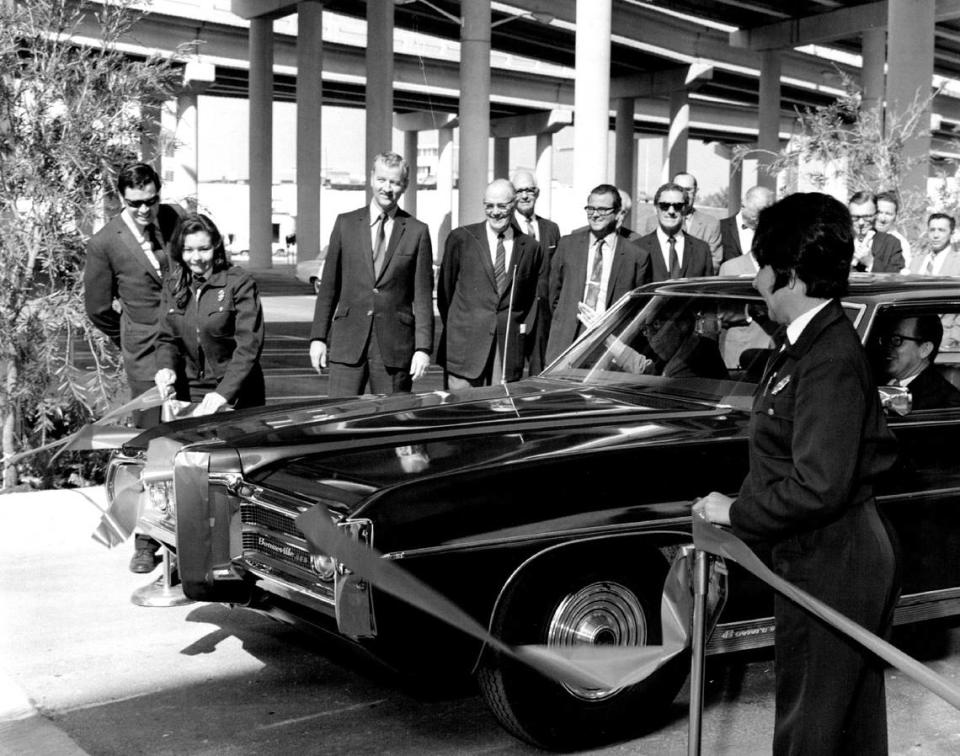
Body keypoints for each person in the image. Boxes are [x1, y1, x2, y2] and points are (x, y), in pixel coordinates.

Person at [696, 192, 899, 755]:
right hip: (817, 555)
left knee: (811, 729)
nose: (756, 280)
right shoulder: (802, 346)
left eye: (763, 266)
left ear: (790, 275)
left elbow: (819, 484)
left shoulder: (829, 357)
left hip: (834, 561)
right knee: (842, 728)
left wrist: (733, 512)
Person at [83, 162, 182, 574]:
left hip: (184, 347)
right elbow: (98, 307)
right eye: (136, 203)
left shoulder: (174, 219)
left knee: (186, 445)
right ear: (122, 198)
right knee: (150, 447)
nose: (146, 210)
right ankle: (144, 541)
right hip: (143, 355)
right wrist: (132, 334)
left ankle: (183, 541)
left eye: (151, 200)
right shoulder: (105, 241)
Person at [310, 151, 434, 396]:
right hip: (348, 342)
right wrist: (318, 338)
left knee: (393, 421)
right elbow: (329, 289)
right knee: (339, 420)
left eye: (395, 182)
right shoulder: (345, 224)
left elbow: (422, 298)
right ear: (371, 179)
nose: (387, 188)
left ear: (405, 186)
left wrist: (423, 348)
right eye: (382, 180)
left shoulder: (417, 232)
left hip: (394, 348)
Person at [154, 213, 265, 414]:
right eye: (188, 250)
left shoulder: (239, 282)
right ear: (180, 250)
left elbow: (249, 345)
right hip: (190, 393)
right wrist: (166, 368)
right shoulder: (172, 285)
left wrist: (224, 393)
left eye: (204, 249)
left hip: (235, 393)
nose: (196, 258)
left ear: (216, 247)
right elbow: (166, 339)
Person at [437, 179, 542, 388]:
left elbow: (529, 301)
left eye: (502, 206)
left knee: (499, 414)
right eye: (489, 206)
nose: (495, 212)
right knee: (462, 415)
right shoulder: (461, 239)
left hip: (505, 352)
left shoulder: (530, 247)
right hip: (464, 350)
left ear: (514, 204)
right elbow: (445, 294)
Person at [544, 184, 650, 363]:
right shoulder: (567, 245)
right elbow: (554, 296)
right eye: (591, 208)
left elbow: (637, 309)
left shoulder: (636, 256)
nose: (595, 214)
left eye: (603, 209)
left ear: (617, 213)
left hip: (610, 346)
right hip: (566, 343)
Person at [511, 170, 561, 375]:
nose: (524, 196)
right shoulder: (506, 227)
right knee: (510, 371)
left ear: (537, 193)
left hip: (542, 314)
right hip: (515, 312)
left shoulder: (551, 229)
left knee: (539, 371)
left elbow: (556, 273)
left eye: (529, 190)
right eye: (519, 191)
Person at [879, 314, 960, 410]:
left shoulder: (943, 403)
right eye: (886, 338)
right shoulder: (878, 378)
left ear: (924, 349)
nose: (887, 346)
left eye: (897, 340)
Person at [636, 182, 713, 283]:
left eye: (677, 206)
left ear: (685, 209)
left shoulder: (702, 250)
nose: (671, 211)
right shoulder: (638, 249)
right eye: (664, 205)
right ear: (655, 208)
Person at [848, 191, 905, 273]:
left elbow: (895, 279)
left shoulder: (891, 244)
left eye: (867, 217)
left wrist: (870, 262)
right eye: (855, 217)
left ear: (876, 215)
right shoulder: (839, 241)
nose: (861, 223)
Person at [719, 186, 775, 267]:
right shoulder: (719, 228)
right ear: (743, 205)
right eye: (757, 214)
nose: (762, 219)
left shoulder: (774, 232)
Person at [875, 191, 912, 270]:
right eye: (879, 212)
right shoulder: (860, 235)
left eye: (888, 214)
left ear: (895, 217)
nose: (882, 218)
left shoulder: (901, 244)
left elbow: (899, 276)